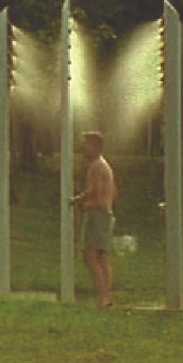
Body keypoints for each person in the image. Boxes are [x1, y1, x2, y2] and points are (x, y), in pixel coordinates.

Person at [72, 131, 117, 307]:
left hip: (98, 213)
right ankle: (106, 297)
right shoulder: (103, 166)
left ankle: (103, 297)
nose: (84, 147)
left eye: (88, 143)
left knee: (91, 255)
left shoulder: (97, 166)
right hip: (105, 212)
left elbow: (94, 191)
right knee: (101, 256)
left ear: (96, 146)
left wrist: (75, 200)